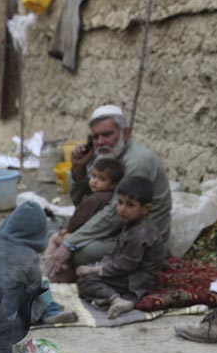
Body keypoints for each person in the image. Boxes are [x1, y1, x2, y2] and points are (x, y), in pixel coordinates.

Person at [45, 104, 172, 278]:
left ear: (125, 133)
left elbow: (115, 213)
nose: (100, 142)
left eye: (107, 134)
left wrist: (71, 243)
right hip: (119, 226)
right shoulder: (105, 155)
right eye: (95, 137)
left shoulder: (137, 161)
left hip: (141, 237)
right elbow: (84, 203)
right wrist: (78, 169)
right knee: (64, 237)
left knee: (81, 252)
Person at [0, 201, 77, 332]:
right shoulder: (27, 256)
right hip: (10, 318)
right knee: (43, 286)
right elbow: (34, 288)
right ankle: (50, 311)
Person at [75, 177, 167, 319]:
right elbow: (116, 253)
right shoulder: (131, 223)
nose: (122, 209)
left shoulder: (140, 233)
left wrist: (98, 270)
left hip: (137, 278)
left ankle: (116, 300)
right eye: (120, 202)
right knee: (87, 274)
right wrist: (98, 265)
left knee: (86, 280)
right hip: (127, 271)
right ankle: (110, 298)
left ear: (146, 209)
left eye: (130, 205)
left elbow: (126, 264)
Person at [44, 157, 124, 274]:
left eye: (101, 179)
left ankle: (48, 261)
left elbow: (78, 219)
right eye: (94, 176)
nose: (95, 181)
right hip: (97, 239)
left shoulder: (96, 199)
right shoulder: (108, 197)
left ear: (113, 185)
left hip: (83, 238)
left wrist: (68, 231)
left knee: (54, 237)